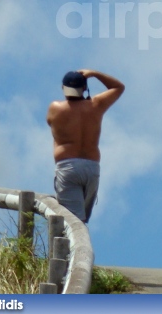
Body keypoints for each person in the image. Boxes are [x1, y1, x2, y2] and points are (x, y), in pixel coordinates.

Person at [46, 69, 125, 223]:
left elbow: (51, 124)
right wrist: (94, 73)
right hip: (92, 168)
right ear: (84, 88)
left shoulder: (55, 108)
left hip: (68, 166)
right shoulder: (96, 105)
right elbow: (118, 87)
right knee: (80, 221)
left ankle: (71, 247)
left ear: (63, 87)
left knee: (71, 221)